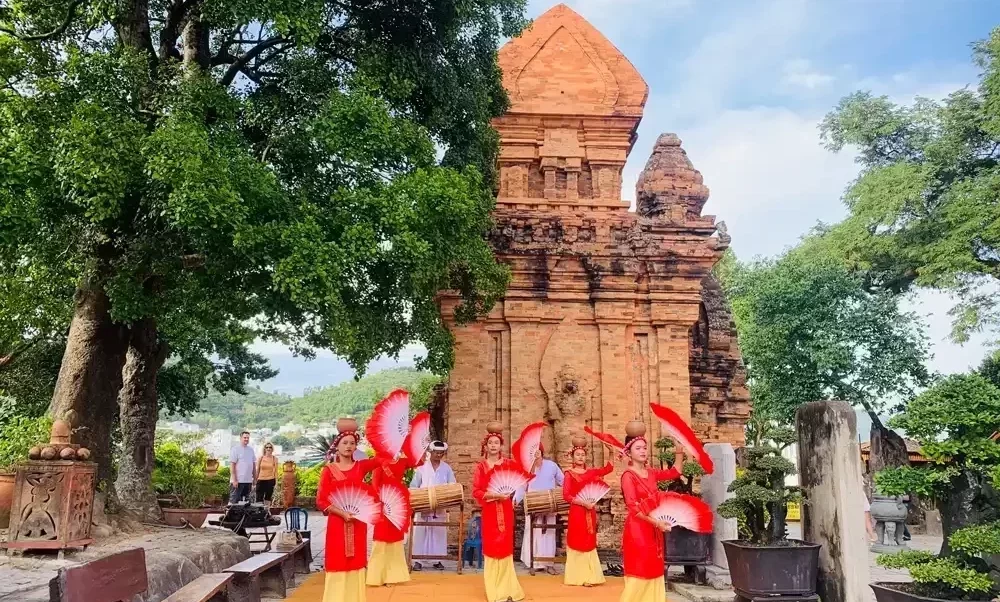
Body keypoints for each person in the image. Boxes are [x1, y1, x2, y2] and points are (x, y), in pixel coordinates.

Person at [317, 418, 384, 602]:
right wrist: (342, 513)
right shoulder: (329, 471)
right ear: (336, 446)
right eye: (345, 443)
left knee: (356, 562)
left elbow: (380, 459)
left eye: (352, 443)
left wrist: (386, 441)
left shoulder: (360, 467)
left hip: (357, 523)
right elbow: (321, 501)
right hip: (337, 523)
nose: (348, 446)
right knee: (337, 561)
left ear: (356, 447)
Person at [619, 420, 683, 602]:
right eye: (638, 448)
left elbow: (676, 472)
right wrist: (657, 522)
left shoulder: (652, 473)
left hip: (654, 527)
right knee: (641, 567)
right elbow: (633, 508)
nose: (643, 451)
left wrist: (679, 449)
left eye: (645, 448)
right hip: (638, 528)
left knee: (655, 566)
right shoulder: (628, 476)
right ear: (629, 453)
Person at [472, 422, 525, 602]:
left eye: (496, 443)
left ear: (501, 446)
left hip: (506, 509)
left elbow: (520, 480)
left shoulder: (509, 464)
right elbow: (476, 491)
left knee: (505, 547)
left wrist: (514, 497)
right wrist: (494, 495)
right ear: (485, 446)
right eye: (490, 443)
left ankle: (508, 590)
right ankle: (494, 592)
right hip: (490, 510)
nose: (493, 446)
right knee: (492, 547)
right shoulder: (481, 467)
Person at [562, 435, 614, 587]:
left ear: (586, 457)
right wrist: (583, 502)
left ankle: (590, 576)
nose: (580, 457)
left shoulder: (591, 473)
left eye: (583, 455)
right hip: (577, 511)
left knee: (589, 540)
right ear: (572, 457)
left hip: (589, 512)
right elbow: (566, 495)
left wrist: (611, 452)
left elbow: (608, 469)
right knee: (577, 540)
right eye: (577, 454)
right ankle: (578, 577)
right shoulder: (569, 474)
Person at [367, 451, 421, 587]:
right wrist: (380, 503)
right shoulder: (379, 461)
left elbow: (418, 461)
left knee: (396, 540)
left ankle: (392, 577)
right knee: (381, 539)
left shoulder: (402, 460)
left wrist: (417, 448)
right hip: (384, 504)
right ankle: (377, 577)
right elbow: (374, 484)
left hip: (397, 504)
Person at [514, 445, 564, 575]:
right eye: (533, 451)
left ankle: (549, 564)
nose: (536, 453)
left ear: (541, 452)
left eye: (538, 450)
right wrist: (516, 500)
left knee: (549, 533)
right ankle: (534, 563)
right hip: (533, 502)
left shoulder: (552, 466)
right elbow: (522, 485)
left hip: (549, 502)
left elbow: (563, 481)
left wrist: (564, 493)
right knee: (534, 533)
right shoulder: (528, 468)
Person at [410, 440, 457, 570]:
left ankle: (438, 559)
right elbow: (413, 486)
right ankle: (417, 560)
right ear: (430, 452)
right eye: (436, 452)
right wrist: (421, 496)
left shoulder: (446, 468)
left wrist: (446, 494)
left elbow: (452, 484)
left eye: (441, 453)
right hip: (424, 504)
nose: (438, 455)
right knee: (421, 533)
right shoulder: (421, 469)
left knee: (438, 533)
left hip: (440, 505)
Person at [229, 431, 256, 503]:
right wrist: (234, 480)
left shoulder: (251, 450)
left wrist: (254, 478)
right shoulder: (235, 449)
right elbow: (232, 465)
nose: (246, 439)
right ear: (240, 438)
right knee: (234, 502)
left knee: (247, 504)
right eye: (245, 437)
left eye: (248, 438)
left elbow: (253, 465)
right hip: (238, 481)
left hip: (248, 481)